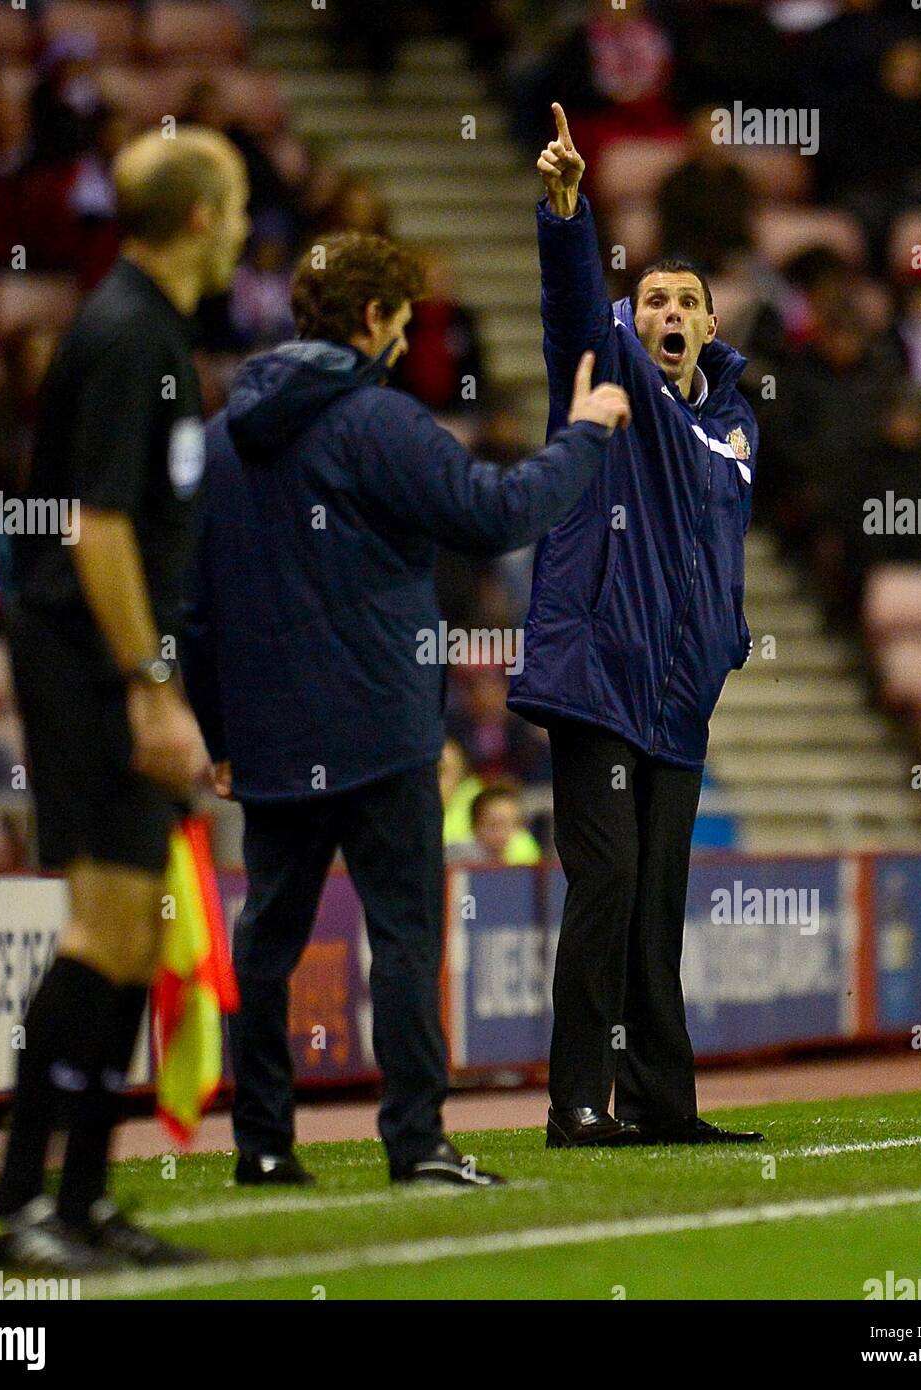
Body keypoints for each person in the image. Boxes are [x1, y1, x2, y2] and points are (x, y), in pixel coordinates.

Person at [181, 229, 629, 1188]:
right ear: (380, 320)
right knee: (403, 937)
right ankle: (417, 1141)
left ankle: (262, 1144)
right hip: (378, 722)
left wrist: (219, 733)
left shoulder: (220, 439)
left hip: (268, 731)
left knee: (266, 940)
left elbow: (194, 606)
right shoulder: (377, 422)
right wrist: (587, 431)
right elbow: (494, 513)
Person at [0, 128, 250, 1273]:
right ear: (198, 218)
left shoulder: (154, 329)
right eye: (231, 209)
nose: (243, 229)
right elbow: (99, 531)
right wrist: (150, 690)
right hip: (87, 665)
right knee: (103, 929)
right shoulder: (132, 332)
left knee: (137, 940)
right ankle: (13, 1205)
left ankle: (81, 1200)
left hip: (115, 661)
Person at [508, 104, 764, 1150]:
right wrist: (565, 213)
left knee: (656, 903)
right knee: (607, 880)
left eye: (685, 302)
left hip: (677, 695)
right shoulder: (608, 371)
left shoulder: (737, 422)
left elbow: (721, 551)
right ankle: (577, 1102)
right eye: (653, 295)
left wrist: (728, 637)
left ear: (709, 325)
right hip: (598, 675)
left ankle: (661, 1102)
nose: (666, 310)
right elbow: (573, 313)